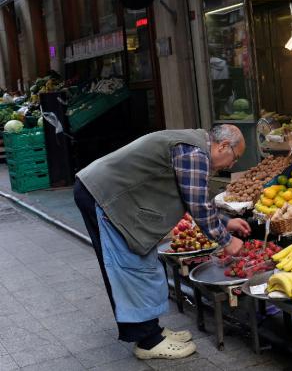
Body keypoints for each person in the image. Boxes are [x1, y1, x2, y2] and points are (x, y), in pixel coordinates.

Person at [73, 125, 251, 359]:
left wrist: (226, 222)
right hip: (104, 197)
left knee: (142, 261)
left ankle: (152, 330)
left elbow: (194, 198)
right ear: (223, 146)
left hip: (111, 194)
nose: (232, 165)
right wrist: (227, 241)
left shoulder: (194, 147)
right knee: (129, 266)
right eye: (234, 158)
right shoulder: (194, 153)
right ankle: (147, 341)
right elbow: (197, 206)